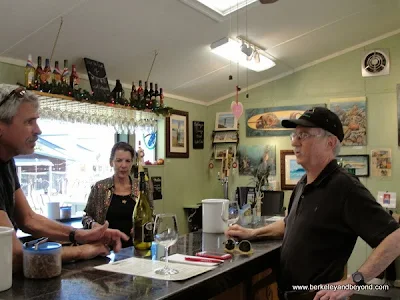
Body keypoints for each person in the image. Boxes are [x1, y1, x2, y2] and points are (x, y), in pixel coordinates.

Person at [226, 107, 400, 300]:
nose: (294, 141)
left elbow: (395, 238)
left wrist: (353, 281)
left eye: (304, 135)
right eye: (295, 135)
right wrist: (252, 233)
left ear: (330, 142)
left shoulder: (345, 187)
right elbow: (290, 223)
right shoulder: (303, 182)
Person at [0, 84, 129, 273]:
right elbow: (13, 256)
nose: (38, 130)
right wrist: (82, 251)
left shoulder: (6, 161)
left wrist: (80, 235)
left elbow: (28, 219)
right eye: (29, 122)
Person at [82, 142, 154, 248]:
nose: (123, 165)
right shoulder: (100, 187)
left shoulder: (142, 187)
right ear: (111, 162)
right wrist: (94, 225)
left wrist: (143, 228)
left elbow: (152, 216)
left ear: (132, 163)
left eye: (127, 161)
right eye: (119, 160)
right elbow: (86, 218)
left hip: (136, 248)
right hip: (104, 249)